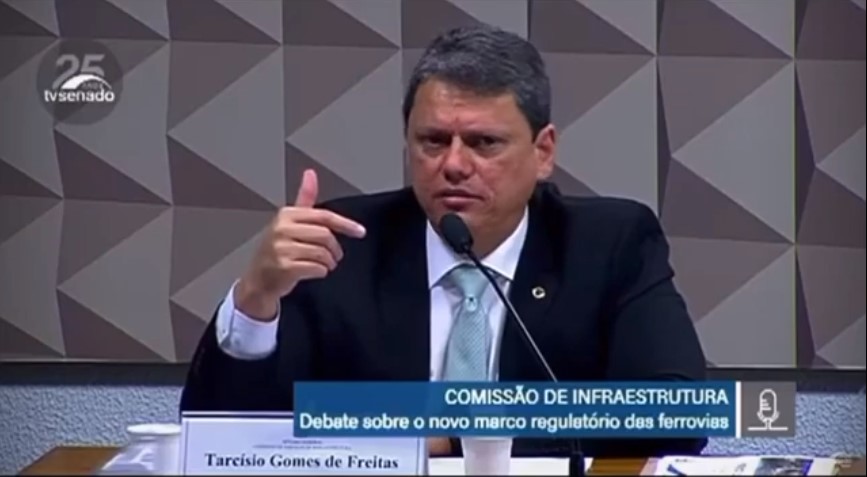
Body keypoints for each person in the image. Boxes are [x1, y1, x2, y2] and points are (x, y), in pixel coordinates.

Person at [180, 23, 708, 459]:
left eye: (484, 143)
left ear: (543, 152)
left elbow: (677, 411)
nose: (454, 164)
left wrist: (457, 434)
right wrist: (255, 299)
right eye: (433, 141)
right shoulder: (341, 244)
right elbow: (218, 437)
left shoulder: (608, 244)